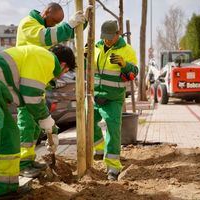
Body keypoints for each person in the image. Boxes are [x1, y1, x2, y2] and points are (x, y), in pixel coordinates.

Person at [0, 44, 76, 199]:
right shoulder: (47, 59)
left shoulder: (40, 59)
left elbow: (33, 97)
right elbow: (32, 95)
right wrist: (46, 121)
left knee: (11, 135)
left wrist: (51, 128)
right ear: (63, 65)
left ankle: (7, 187)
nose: (60, 76)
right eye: (65, 72)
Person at [16, 2, 91, 178]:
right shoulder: (28, 24)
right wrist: (69, 25)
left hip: (37, 81)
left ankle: (28, 159)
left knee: (34, 127)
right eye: (53, 21)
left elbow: (61, 35)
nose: (54, 25)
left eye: (58, 23)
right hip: (26, 83)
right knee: (26, 124)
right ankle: (22, 163)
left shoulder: (45, 26)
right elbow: (47, 37)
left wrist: (83, 22)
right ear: (46, 12)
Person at [93, 20, 138, 180]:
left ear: (118, 34)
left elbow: (133, 74)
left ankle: (113, 167)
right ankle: (98, 149)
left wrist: (124, 65)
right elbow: (88, 68)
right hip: (94, 96)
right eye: (104, 37)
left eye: (110, 37)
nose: (107, 40)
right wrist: (84, 56)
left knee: (113, 130)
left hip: (113, 99)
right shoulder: (95, 47)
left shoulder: (127, 51)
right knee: (87, 123)